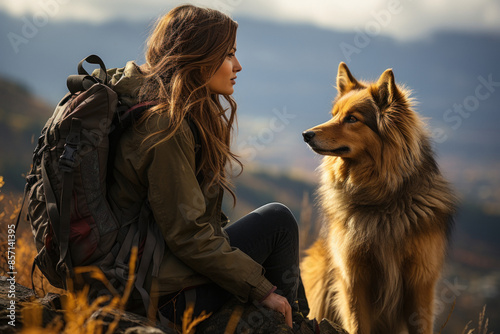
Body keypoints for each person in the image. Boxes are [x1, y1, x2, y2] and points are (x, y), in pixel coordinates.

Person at [105, 4, 312, 331]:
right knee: (278, 222)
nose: (238, 66)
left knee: (274, 224)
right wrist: (263, 291)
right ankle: (292, 325)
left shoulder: (164, 111)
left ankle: (295, 321)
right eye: (228, 54)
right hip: (160, 295)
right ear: (198, 57)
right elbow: (188, 235)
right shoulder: (164, 126)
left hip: (151, 275)